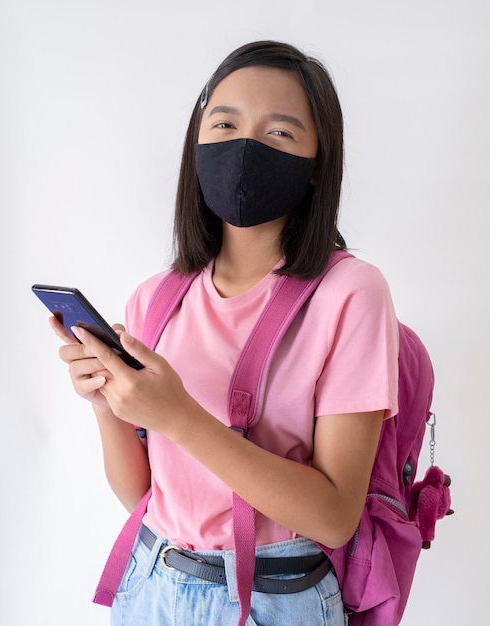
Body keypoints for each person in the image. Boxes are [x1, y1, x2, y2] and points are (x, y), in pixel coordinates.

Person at [50, 41, 399, 626]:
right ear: (197, 142)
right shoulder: (156, 297)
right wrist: (108, 406)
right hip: (150, 583)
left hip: (276, 598)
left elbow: (335, 515)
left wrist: (178, 416)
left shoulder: (351, 294)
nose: (245, 147)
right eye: (225, 123)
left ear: (317, 166)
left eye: (280, 133)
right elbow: (146, 497)